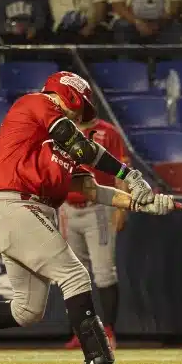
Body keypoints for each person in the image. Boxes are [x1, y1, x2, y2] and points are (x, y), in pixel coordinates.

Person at [0, 71, 172, 364]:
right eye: (80, 108)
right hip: (15, 207)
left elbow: (93, 190)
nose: (80, 116)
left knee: (27, 310)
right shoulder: (35, 103)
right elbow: (81, 146)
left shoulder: (53, 147)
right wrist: (126, 171)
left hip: (27, 213)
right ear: (69, 95)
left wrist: (140, 202)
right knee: (75, 275)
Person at [61, 116, 129, 346]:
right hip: (67, 207)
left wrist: (122, 207)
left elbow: (123, 170)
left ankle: (108, 331)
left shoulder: (107, 131)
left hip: (97, 207)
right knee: (73, 274)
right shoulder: (61, 129)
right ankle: (82, 332)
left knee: (103, 272)